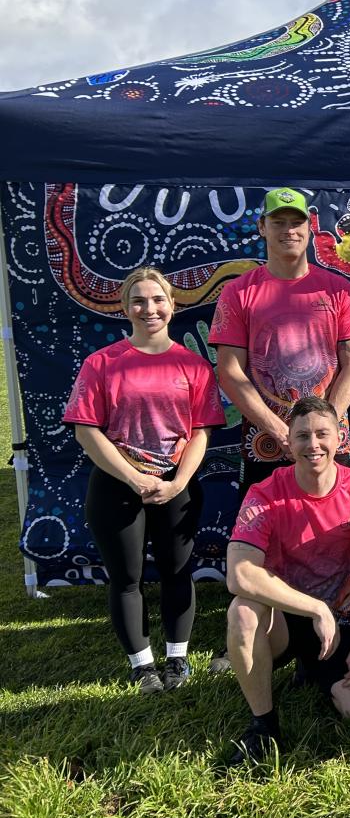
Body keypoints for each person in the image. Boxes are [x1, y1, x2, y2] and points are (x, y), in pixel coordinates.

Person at [64, 268, 226, 693]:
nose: (149, 308)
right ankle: (142, 667)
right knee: (127, 578)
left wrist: (176, 484)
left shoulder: (194, 365)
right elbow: (86, 430)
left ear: (173, 305)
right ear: (124, 307)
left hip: (177, 484)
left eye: (158, 299)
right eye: (139, 300)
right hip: (117, 484)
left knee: (177, 571)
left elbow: (202, 432)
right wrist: (135, 478)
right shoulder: (102, 363)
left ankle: (176, 660)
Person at [225, 397, 350, 764]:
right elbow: (239, 573)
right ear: (288, 441)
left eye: (322, 434)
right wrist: (315, 607)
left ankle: (314, 668)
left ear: (339, 438)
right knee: (242, 611)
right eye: (302, 436)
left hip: (343, 620)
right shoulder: (265, 492)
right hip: (284, 619)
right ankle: (264, 726)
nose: (312, 445)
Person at [211, 186, 350, 495]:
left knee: (338, 529)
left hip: (329, 439)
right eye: (278, 222)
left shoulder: (339, 290)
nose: (289, 230)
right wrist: (280, 431)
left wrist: (325, 429)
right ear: (262, 228)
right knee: (261, 532)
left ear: (309, 227)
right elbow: (229, 372)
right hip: (266, 439)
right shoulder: (238, 293)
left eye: (295, 222)